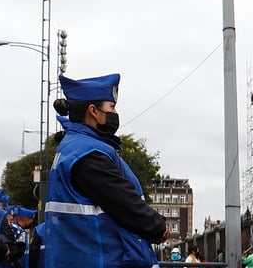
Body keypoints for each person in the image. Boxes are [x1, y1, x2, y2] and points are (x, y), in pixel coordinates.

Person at [43, 73, 168, 268]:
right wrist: (158, 227)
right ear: (93, 111)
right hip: (100, 259)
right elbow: (122, 201)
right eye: (111, 107)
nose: (115, 113)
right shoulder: (87, 152)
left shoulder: (78, 147)